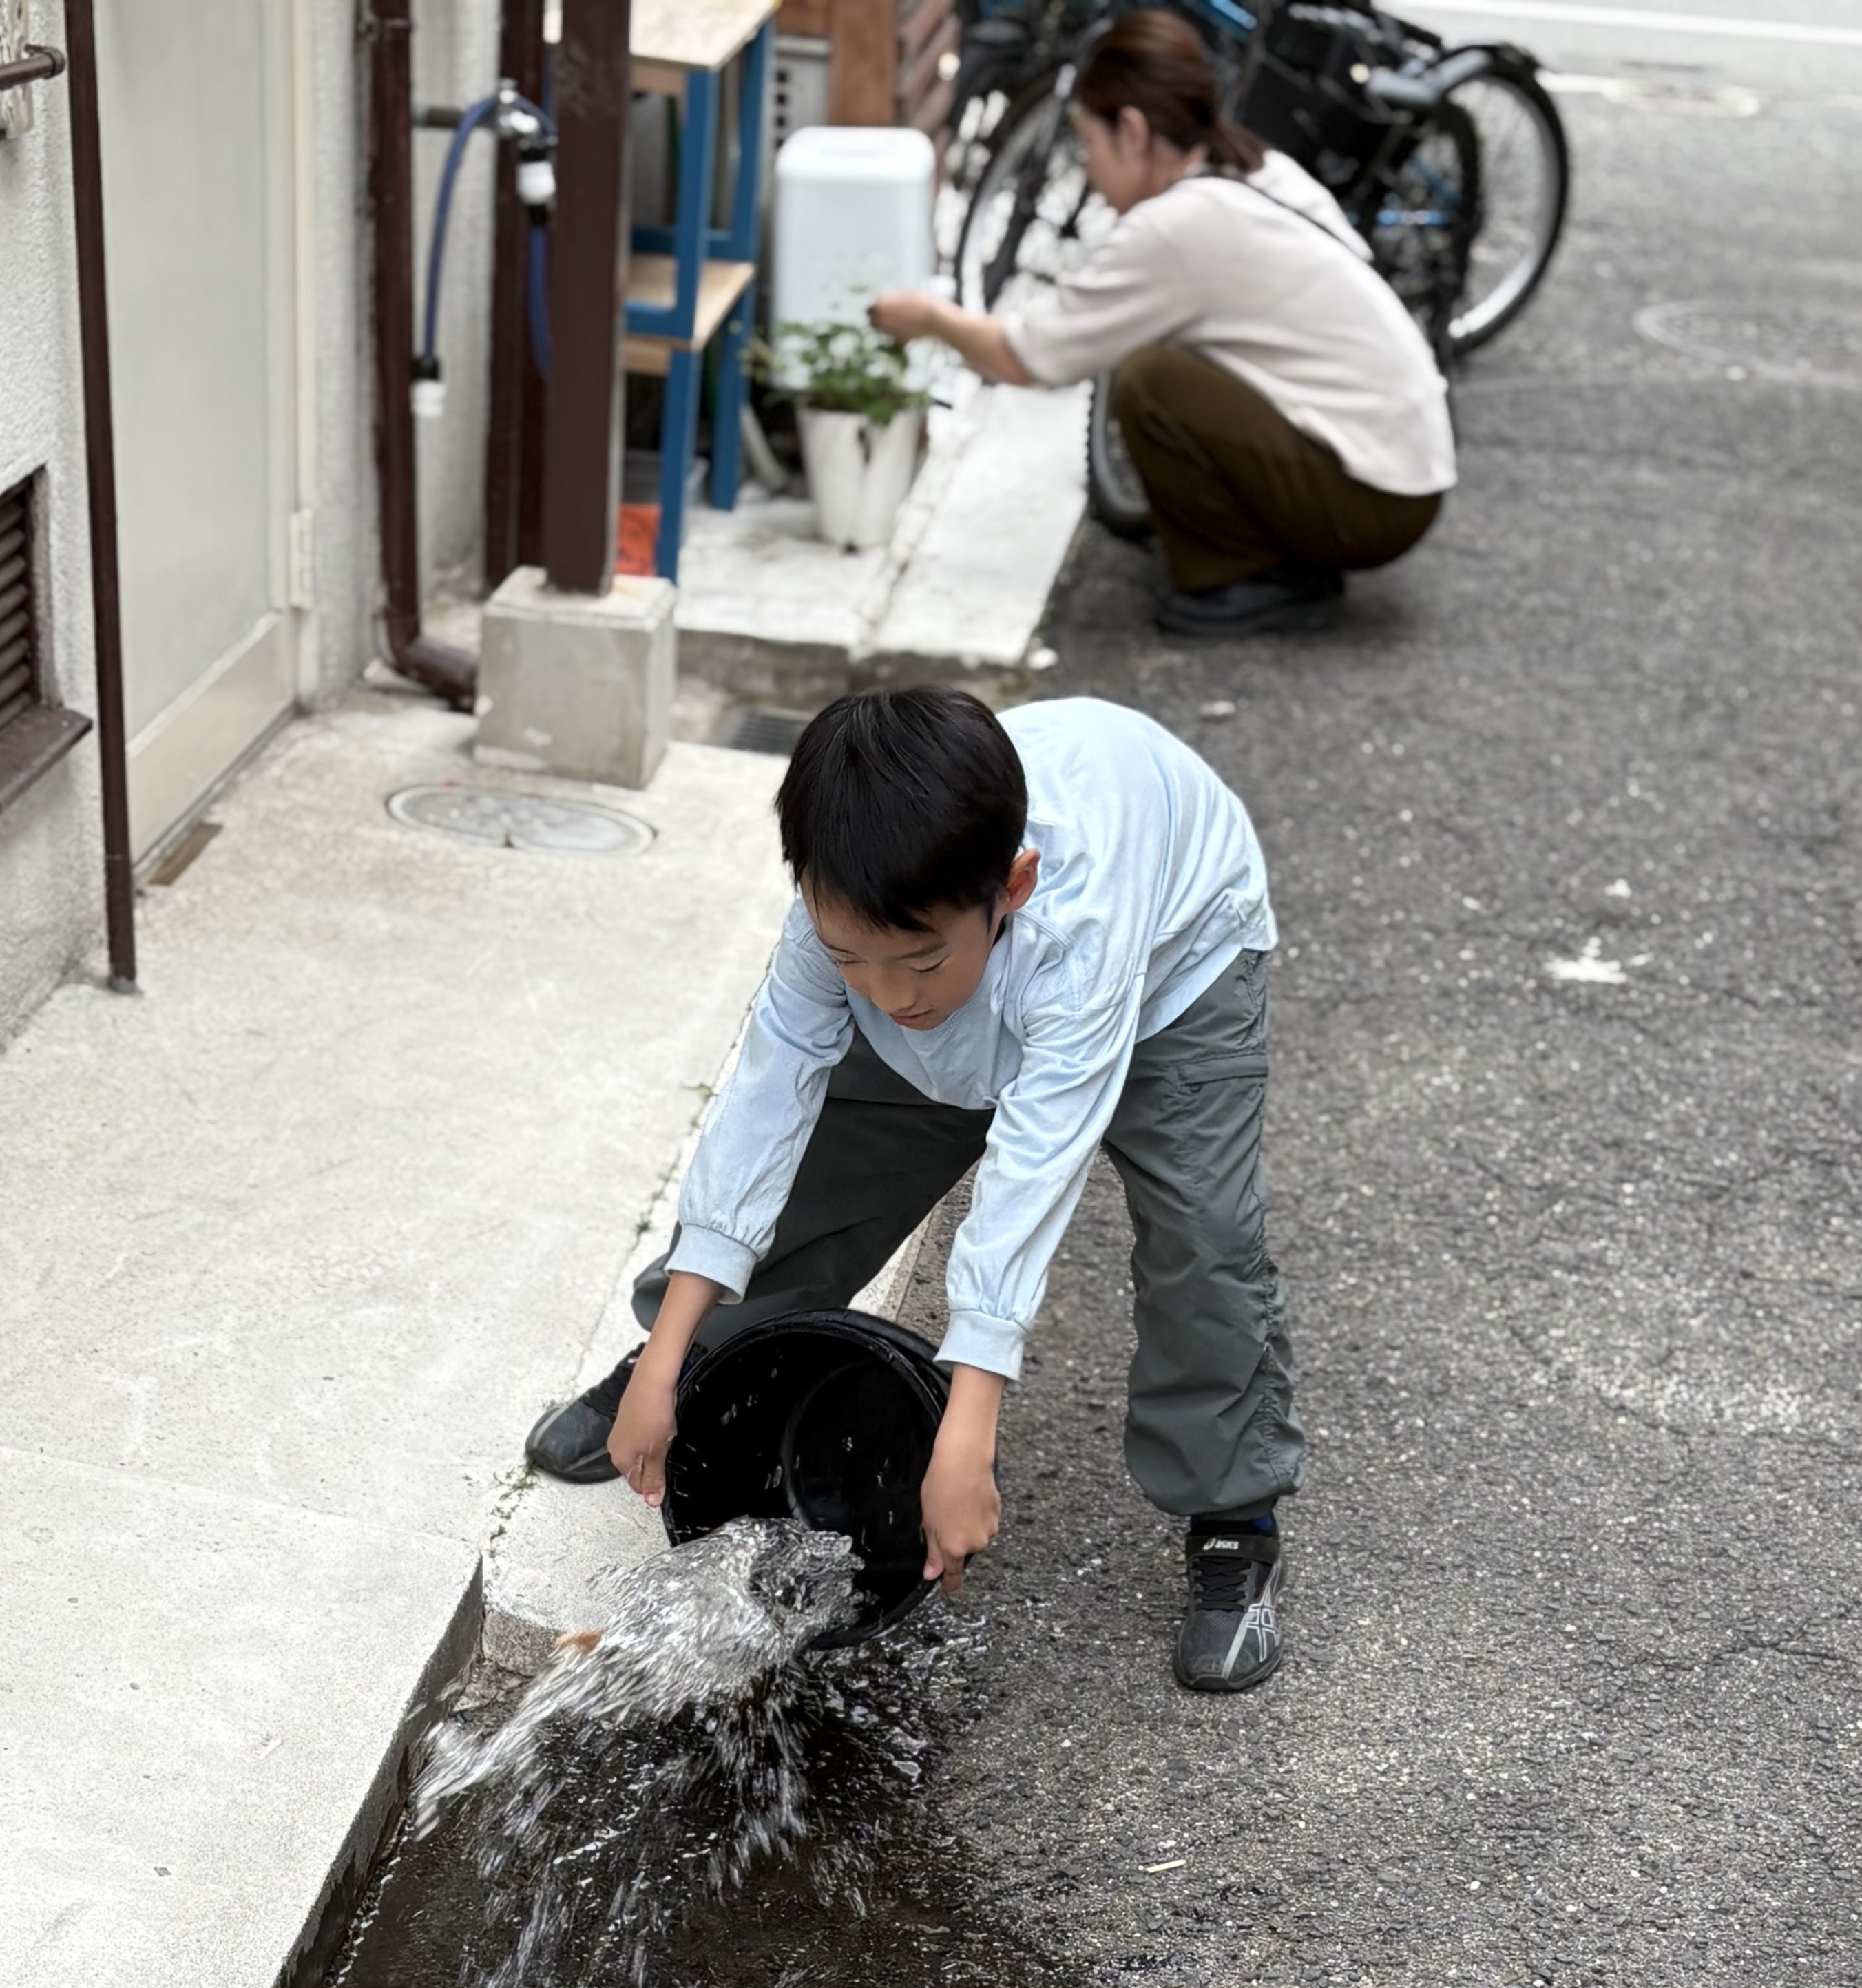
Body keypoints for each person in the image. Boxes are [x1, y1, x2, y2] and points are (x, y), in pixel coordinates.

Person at [522, 684, 1299, 1695]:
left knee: (1205, 1237)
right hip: (973, 966)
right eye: (850, 958)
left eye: (918, 960)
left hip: (1173, 968)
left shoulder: (1078, 927)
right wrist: (668, 1354)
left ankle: (1235, 1515)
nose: (888, 994)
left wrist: (967, 1430)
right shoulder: (855, 920)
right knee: (817, 1171)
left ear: (1014, 885)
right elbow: (764, 1105)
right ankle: (700, 1354)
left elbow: (1034, 1168)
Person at [868, 8, 1453, 639]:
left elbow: (1028, 357)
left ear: (1133, 132)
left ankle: (1249, 577)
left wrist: (929, 318)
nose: (1088, 170)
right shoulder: (1257, 166)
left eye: (1088, 145)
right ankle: (1280, 542)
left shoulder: (1177, 227)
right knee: (1168, 366)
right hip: (1405, 466)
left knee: (1150, 378)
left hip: (1377, 500)